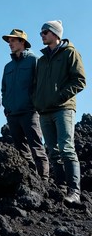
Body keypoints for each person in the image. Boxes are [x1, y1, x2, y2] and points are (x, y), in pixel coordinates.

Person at [33, 20, 86, 204]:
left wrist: (59, 97)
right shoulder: (41, 60)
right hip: (45, 111)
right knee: (53, 151)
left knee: (66, 148)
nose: (42, 35)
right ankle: (62, 188)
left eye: (45, 32)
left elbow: (79, 80)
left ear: (56, 34)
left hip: (63, 109)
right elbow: (37, 85)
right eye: (41, 32)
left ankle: (75, 192)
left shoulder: (70, 53)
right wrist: (38, 102)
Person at [1, 29, 49, 181]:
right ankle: (31, 181)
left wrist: (34, 104)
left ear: (22, 42)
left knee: (37, 148)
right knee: (21, 151)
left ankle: (44, 181)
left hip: (30, 112)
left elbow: (40, 85)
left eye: (13, 41)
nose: (10, 44)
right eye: (9, 41)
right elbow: (4, 89)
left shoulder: (34, 60)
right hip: (12, 114)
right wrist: (7, 106)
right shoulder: (8, 67)